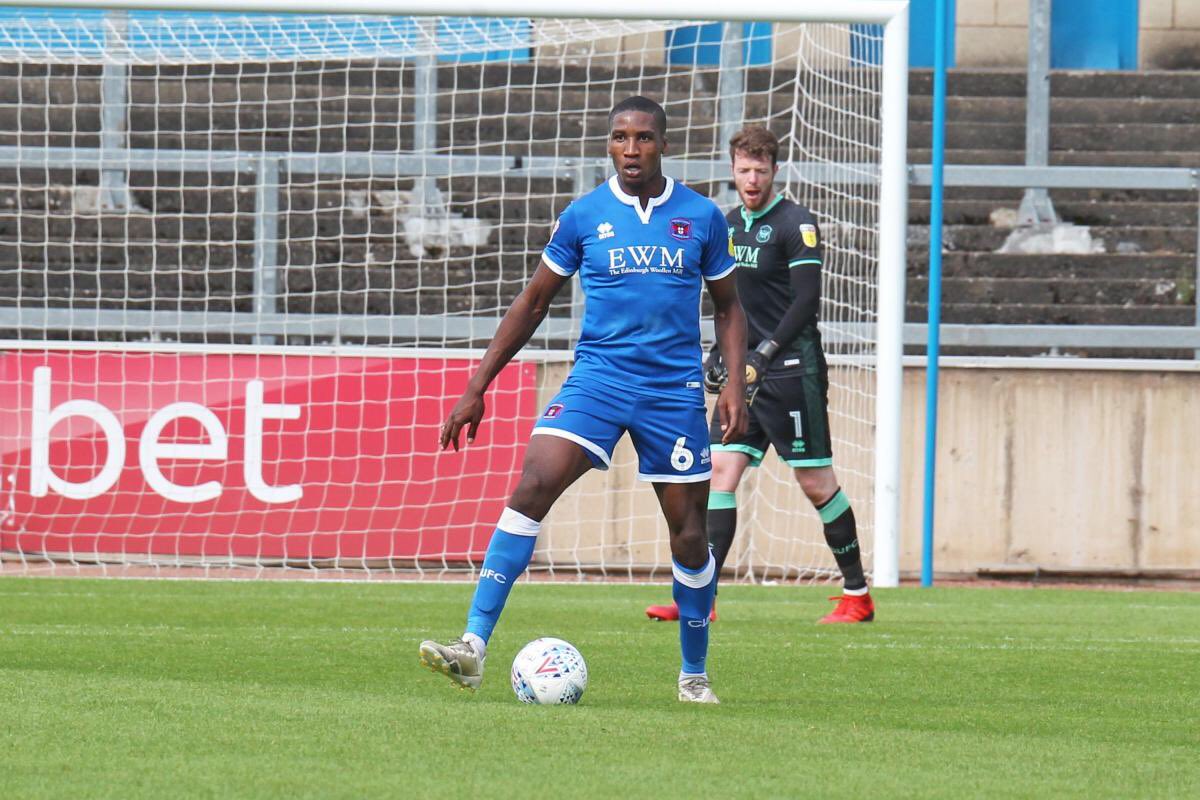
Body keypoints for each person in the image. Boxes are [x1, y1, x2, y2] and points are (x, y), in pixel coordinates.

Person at [419, 96, 749, 704]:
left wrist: (732, 384)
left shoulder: (702, 217)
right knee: (533, 484)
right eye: (620, 137)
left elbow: (729, 306)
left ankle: (694, 674)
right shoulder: (583, 216)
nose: (631, 149)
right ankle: (473, 645)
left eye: (643, 138)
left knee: (688, 535)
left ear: (663, 144)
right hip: (597, 379)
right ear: (609, 144)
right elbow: (533, 302)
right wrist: (476, 387)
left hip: (670, 391)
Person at [644, 126, 875, 625]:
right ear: (733, 170)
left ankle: (857, 593)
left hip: (792, 372)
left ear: (775, 171)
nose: (752, 179)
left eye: (761, 171)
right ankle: (701, 599)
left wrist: (764, 354)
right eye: (744, 170)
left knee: (816, 484)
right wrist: (718, 354)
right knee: (718, 476)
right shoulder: (726, 224)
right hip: (743, 378)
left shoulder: (797, 224)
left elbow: (806, 302)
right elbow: (729, 303)